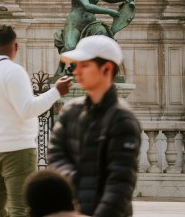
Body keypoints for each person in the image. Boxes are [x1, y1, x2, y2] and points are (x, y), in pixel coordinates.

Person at [0, 25, 72, 217]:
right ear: (15, 47)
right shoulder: (13, 71)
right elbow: (28, 109)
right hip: (17, 149)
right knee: (20, 207)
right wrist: (56, 91)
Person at [48, 36, 141, 217]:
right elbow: (55, 155)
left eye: (85, 65)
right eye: (77, 65)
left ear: (107, 69)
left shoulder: (123, 119)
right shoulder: (70, 111)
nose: (77, 71)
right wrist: (77, 182)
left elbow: (120, 185)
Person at [54, 0, 135, 78]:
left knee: (103, 35)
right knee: (71, 47)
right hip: (75, 23)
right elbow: (87, 6)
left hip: (90, 23)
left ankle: (100, 68)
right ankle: (61, 68)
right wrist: (108, 11)